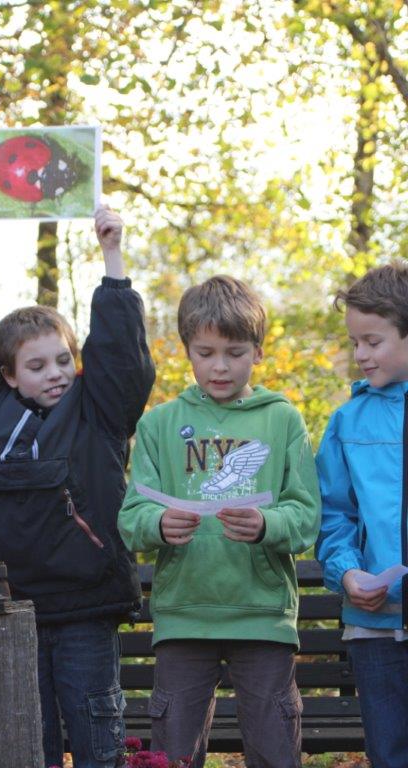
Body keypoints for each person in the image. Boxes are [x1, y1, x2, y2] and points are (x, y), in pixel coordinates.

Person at [0, 208, 155, 768]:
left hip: (85, 607)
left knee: (95, 740)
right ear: (8, 375)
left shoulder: (98, 410)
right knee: (22, 743)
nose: (55, 373)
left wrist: (112, 257)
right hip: (11, 611)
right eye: (36, 366)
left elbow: (122, 356)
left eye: (63, 360)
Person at [118, 275, 321, 768]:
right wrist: (160, 524)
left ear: (258, 351)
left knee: (275, 750)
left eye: (235, 352)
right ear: (187, 350)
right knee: (174, 755)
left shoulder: (282, 419)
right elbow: (132, 515)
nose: (220, 366)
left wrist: (267, 525)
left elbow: (306, 513)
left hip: (262, 616)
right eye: (206, 352)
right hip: (185, 612)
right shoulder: (159, 424)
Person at [316, 262, 408, 768]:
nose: (360, 355)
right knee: (389, 753)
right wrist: (346, 571)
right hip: (376, 629)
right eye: (355, 343)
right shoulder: (347, 420)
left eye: (372, 341)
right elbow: (333, 516)